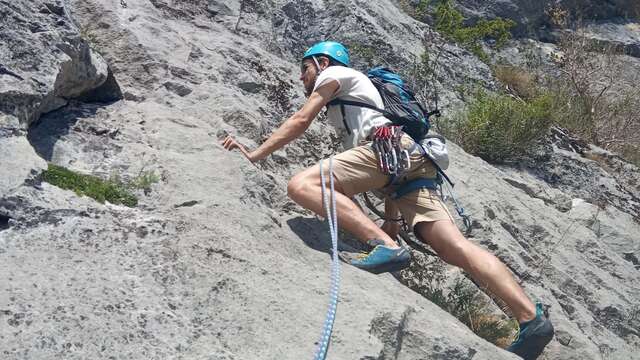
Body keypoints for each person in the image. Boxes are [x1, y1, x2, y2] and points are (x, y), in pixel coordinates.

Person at [221, 41, 554, 359]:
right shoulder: (358, 95)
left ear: (322, 63)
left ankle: (385, 246)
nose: (301, 77)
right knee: (456, 247)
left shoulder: (333, 75)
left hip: (386, 150)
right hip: (408, 158)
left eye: (305, 68)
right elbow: (388, 170)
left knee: (303, 184)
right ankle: (530, 319)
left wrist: (256, 154)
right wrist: (393, 220)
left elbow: (301, 120)